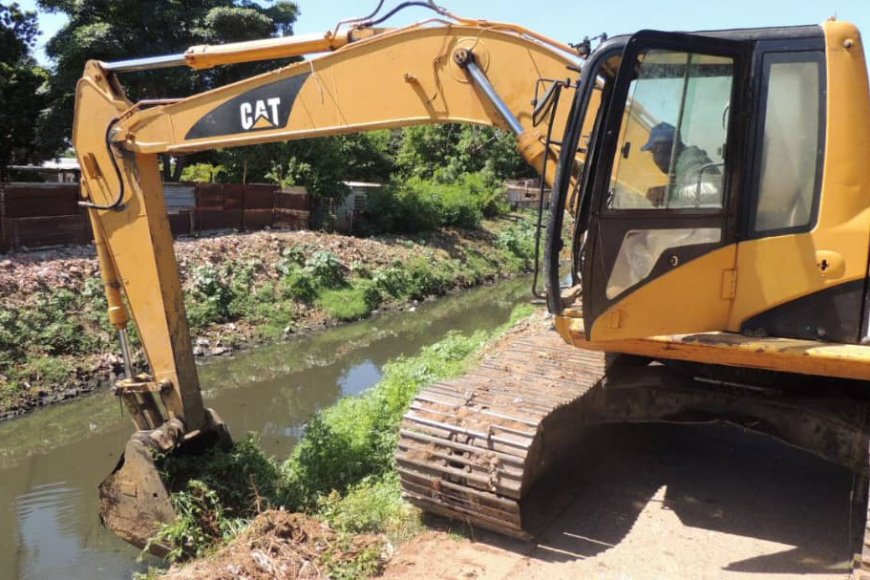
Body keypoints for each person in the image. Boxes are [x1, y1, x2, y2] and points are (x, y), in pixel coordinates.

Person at [640, 122, 722, 207]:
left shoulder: (690, 158)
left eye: (654, 151)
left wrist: (668, 194)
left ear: (663, 148)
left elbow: (711, 190)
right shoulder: (681, 165)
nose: (655, 159)